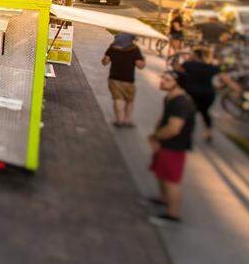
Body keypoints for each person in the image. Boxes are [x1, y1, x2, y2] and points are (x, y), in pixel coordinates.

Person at [148, 71, 196, 223]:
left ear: (177, 83)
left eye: (167, 80)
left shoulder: (181, 103)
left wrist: (157, 137)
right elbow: (163, 119)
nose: (162, 81)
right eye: (163, 77)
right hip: (164, 143)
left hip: (174, 146)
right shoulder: (170, 97)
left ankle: (173, 214)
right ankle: (163, 199)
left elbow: (174, 128)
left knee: (171, 180)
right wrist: (155, 136)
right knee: (161, 173)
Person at [176, 48, 239, 143]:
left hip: (192, 94)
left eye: (192, 54)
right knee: (204, 112)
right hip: (208, 95)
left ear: (196, 55)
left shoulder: (188, 64)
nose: (190, 56)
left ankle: (185, 133)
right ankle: (208, 132)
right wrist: (236, 90)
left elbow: (176, 71)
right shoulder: (211, 67)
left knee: (188, 112)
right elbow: (227, 80)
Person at [102, 33, 145, 127]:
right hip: (128, 79)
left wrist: (106, 57)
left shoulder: (113, 47)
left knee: (118, 99)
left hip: (114, 78)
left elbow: (105, 62)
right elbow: (140, 65)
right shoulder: (134, 49)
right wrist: (143, 60)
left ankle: (119, 121)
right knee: (129, 100)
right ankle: (127, 120)